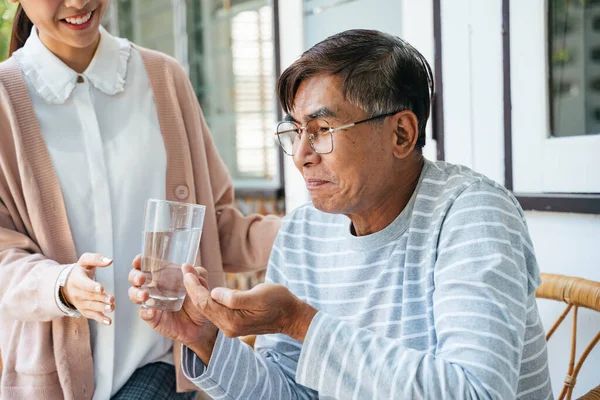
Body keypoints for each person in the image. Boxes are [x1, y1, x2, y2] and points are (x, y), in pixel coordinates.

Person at [129, 29, 554, 400]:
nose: (300, 156)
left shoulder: (473, 214)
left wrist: (298, 322)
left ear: (401, 133)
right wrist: (207, 340)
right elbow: (290, 393)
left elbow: (476, 392)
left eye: (323, 131)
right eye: (296, 131)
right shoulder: (303, 232)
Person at [0, 0, 280, 399]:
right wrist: (59, 285)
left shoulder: (164, 80)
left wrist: (318, 232)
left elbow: (211, 229)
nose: (78, 3)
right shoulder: (5, 100)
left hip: (158, 363)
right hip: (49, 382)